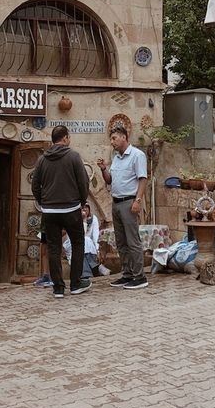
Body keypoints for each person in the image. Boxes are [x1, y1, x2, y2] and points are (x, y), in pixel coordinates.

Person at [31, 125, 91, 298]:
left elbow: (35, 186)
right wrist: (81, 201)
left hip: (49, 211)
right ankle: (76, 284)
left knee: (54, 247)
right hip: (71, 209)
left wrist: (44, 203)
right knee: (78, 243)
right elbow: (83, 182)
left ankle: (58, 288)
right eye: (68, 137)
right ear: (65, 138)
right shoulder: (73, 156)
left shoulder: (42, 159)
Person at [96, 123, 148, 290]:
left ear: (124, 137)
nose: (112, 142)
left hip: (129, 202)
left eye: (114, 138)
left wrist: (138, 201)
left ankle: (139, 276)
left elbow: (143, 179)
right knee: (121, 242)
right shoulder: (116, 157)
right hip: (116, 203)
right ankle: (127, 274)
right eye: (111, 139)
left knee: (133, 241)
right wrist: (104, 169)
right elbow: (110, 180)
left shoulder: (137, 155)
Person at [63, 203, 110, 279]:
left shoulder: (93, 218)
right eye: (82, 208)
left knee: (87, 241)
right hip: (72, 243)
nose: (84, 209)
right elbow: (81, 235)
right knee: (85, 240)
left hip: (89, 245)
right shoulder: (74, 218)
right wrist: (84, 219)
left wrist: (97, 251)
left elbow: (95, 236)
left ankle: (88, 272)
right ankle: (96, 267)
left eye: (86, 207)